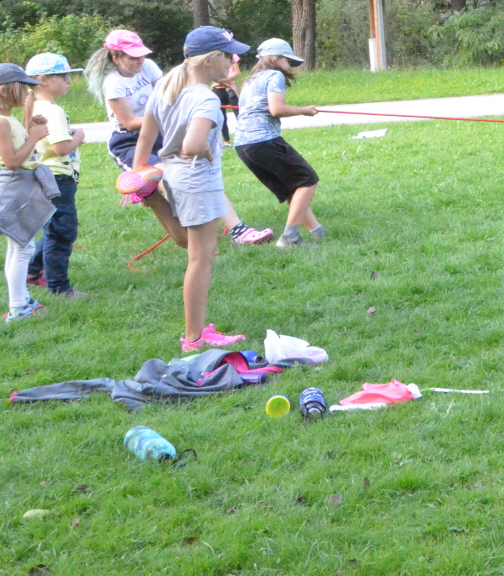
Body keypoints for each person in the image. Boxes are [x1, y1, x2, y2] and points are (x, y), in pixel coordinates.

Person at [87, 28, 270, 245]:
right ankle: (178, 218)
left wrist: (177, 116)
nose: (140, 61)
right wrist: (170, 119)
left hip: (159, 131)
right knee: (168, 178)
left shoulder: (148, 67)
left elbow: (168, 97)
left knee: (202, 175)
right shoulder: (113, 83)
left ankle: (239, 231)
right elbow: (129, 122)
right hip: (129, 141)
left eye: (141, 55)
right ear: (116, 58)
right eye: (133, 57)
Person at [134, 26, 252, 353]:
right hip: (198, 180)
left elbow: (145, 137)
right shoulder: (205, 98)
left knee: (192, 247)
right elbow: (192, 145)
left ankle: (153, 197)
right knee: (201, 259)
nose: (233, 60)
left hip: (173, 175)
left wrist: (138, 173)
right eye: (227, 55)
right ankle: (194, 339)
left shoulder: (165, 89)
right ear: (210, 59)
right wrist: (209, 152)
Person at [233, 38, 325, 247]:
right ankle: (290, 238)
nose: (290, 66)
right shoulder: (274, 75)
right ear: (275, 58)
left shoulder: (250, 80)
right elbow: (276, 109)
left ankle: (318, 232)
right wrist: (304, 111)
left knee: (293, 187)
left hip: (243, 145)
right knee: (308, 179)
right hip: (263, 140)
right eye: (288, 61)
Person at [0, 63, 57, 322]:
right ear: (6, 91)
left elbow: (18, 148)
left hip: (21, 184)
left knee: (20, 246)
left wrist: (31, 128)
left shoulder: (5, 118)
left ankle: (23, 301)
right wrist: (34, 137)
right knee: (23, 247)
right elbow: (13, 161)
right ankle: (18, 307)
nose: (28, 94)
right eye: (23, 89)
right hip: (15, 186)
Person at [23, 53, 87, 297]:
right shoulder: (53, 110)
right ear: (43, 80)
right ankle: (59, 287)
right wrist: (78, 136)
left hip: (43, 177)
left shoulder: (33, 108)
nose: (69, 81)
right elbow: (61, 148)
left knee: (54, 227)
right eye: (63, 76)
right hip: (59, 179)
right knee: (62, 231)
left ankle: (32, 271)